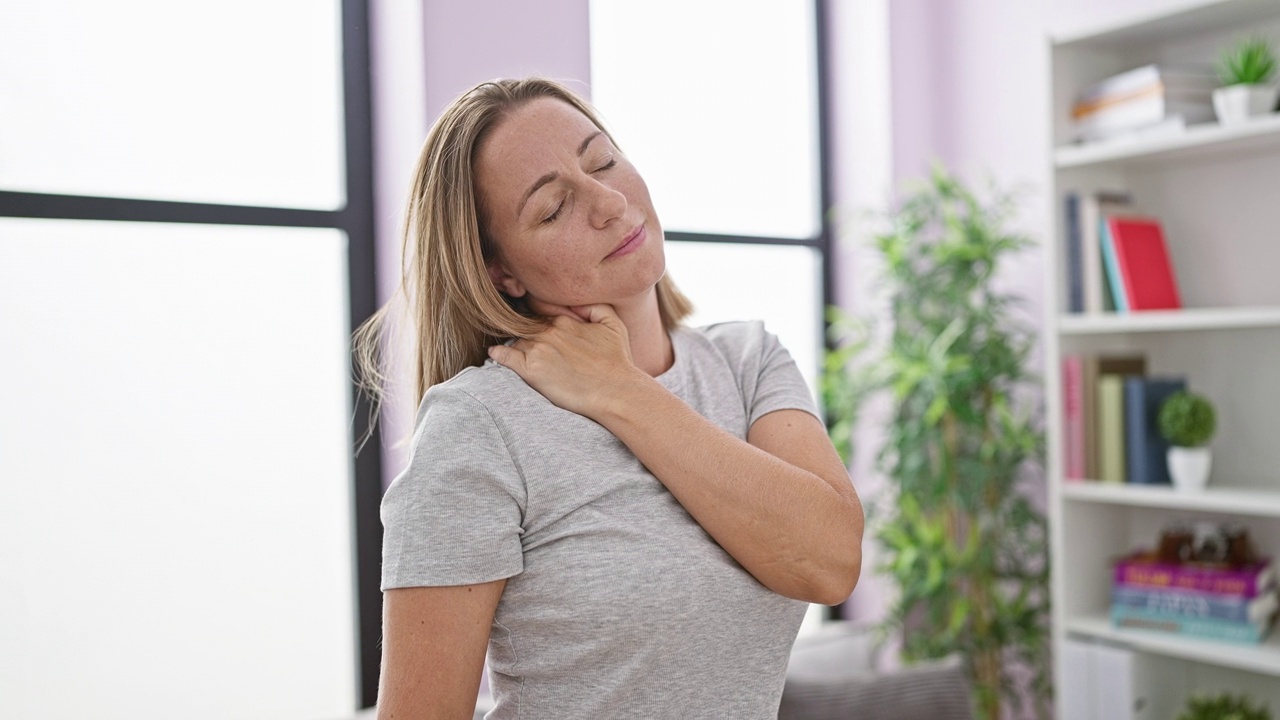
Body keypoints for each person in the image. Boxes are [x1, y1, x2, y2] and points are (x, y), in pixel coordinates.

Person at [358, 77, 864, 720]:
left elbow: (828, 563)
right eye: (552, 208)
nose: (606, 201)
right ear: (500, 272)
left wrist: (621, 390)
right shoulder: (480, 424)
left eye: (603, 161)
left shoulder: (746, 362)